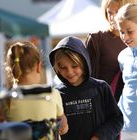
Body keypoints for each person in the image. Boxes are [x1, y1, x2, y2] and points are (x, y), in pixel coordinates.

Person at [49, 36, 123, 140]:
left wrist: (99, 137)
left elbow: (117, 119)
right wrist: (59, 124)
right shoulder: (56, 95)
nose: (69, 72)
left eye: (74, 66)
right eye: (63, 67)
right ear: (57, 68)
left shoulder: (101, 88)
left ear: (84, 63)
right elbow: (51, 126)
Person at [3, 41, 68, 139]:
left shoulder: (6, 99)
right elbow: (63, 127)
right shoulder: (52, 93)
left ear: (11, 69)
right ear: (38, 66)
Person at [85, 0, 137, 102]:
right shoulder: (96, 39)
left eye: (117, 11)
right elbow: (87, 77)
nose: (113, 17)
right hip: (105, 105)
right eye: (109, 13)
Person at [115, 3, 137, 140]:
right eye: (122, 32)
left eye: (130, 31)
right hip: (127, 123)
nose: (125, 36)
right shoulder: (122, 56)